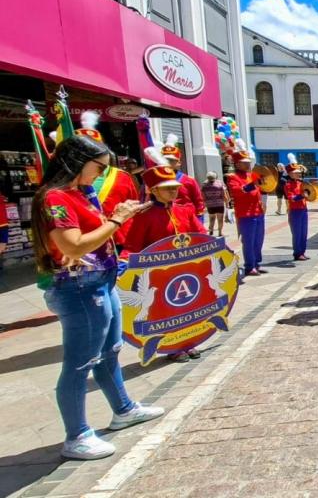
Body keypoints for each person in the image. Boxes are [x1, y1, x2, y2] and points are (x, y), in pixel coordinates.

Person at [31, 135, 163, 460]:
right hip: (78, 287)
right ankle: (76, 435)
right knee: (80, 364)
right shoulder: (55, 198)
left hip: (101, 281)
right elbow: (73, 245)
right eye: (98, 167)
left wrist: (117, 215)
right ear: (77, 162)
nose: (101, 175)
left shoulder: (80, 194)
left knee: (110, 352)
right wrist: (118, 220)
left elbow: (94, 233)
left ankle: (123, 409)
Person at [122, 165, 206, 362]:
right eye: (167, 188)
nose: (173, 191)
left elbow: (201, 234)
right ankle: (172, 346)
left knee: (189, 307)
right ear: (153, 190)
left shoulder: (185, 210)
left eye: (175, 187)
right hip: (159, 275)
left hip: (187, 270)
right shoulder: (144, 216)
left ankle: (189, 342)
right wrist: (125, 262)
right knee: (166, 311)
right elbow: (133, 245)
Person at [74, 113, 139, 248]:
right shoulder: (65, 182)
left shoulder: (123, 176)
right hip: (83, 244)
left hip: (120, 242)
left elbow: (134, 209)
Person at [225, 141, 266, 276]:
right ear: (237, 164)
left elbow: (260, 189)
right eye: (245, 162)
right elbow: (239, 191)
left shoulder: (250, 175)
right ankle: (249, 266)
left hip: (258, 212)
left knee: (259, 240)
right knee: (248, 241)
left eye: (248, 162)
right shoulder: (233, 177)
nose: (248, 164)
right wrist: (252, 184)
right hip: (246, 214)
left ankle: (257, 263)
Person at [161, 134, 205, 223]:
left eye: (171, 161)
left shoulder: (189, 181)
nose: (168, 163)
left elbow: (199, 203)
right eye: (165, 160)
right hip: (166, 221)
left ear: (179, 163)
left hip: (187, 220)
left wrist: (199, 222)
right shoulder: (158, 181)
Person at [282, 160, 309, 261]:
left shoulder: (300, 183)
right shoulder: (288, 185)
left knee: (304, 232)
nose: (298, 173)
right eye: (295, 172)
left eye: (298, 172)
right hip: (295, 211)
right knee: (297, 233)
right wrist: (302, 195)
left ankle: (302, 251)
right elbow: (292, 198)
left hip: (303, 209)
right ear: (290, 174)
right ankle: (297, 253)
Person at [201, 172, 228, 236]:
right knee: (220, 219)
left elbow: (203, 196)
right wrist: (227, 202)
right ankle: (220, 232)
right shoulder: (220, 183)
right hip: (219, 204)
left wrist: (204, 204)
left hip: (210, 205)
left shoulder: (204, 185)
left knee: (212, 218)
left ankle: (211, 231)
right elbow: (224, 195)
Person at [0, 191, 8, 257]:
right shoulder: (2, 198)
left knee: (3, 242)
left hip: (3, 224)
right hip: (3, 223)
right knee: (3, 242)